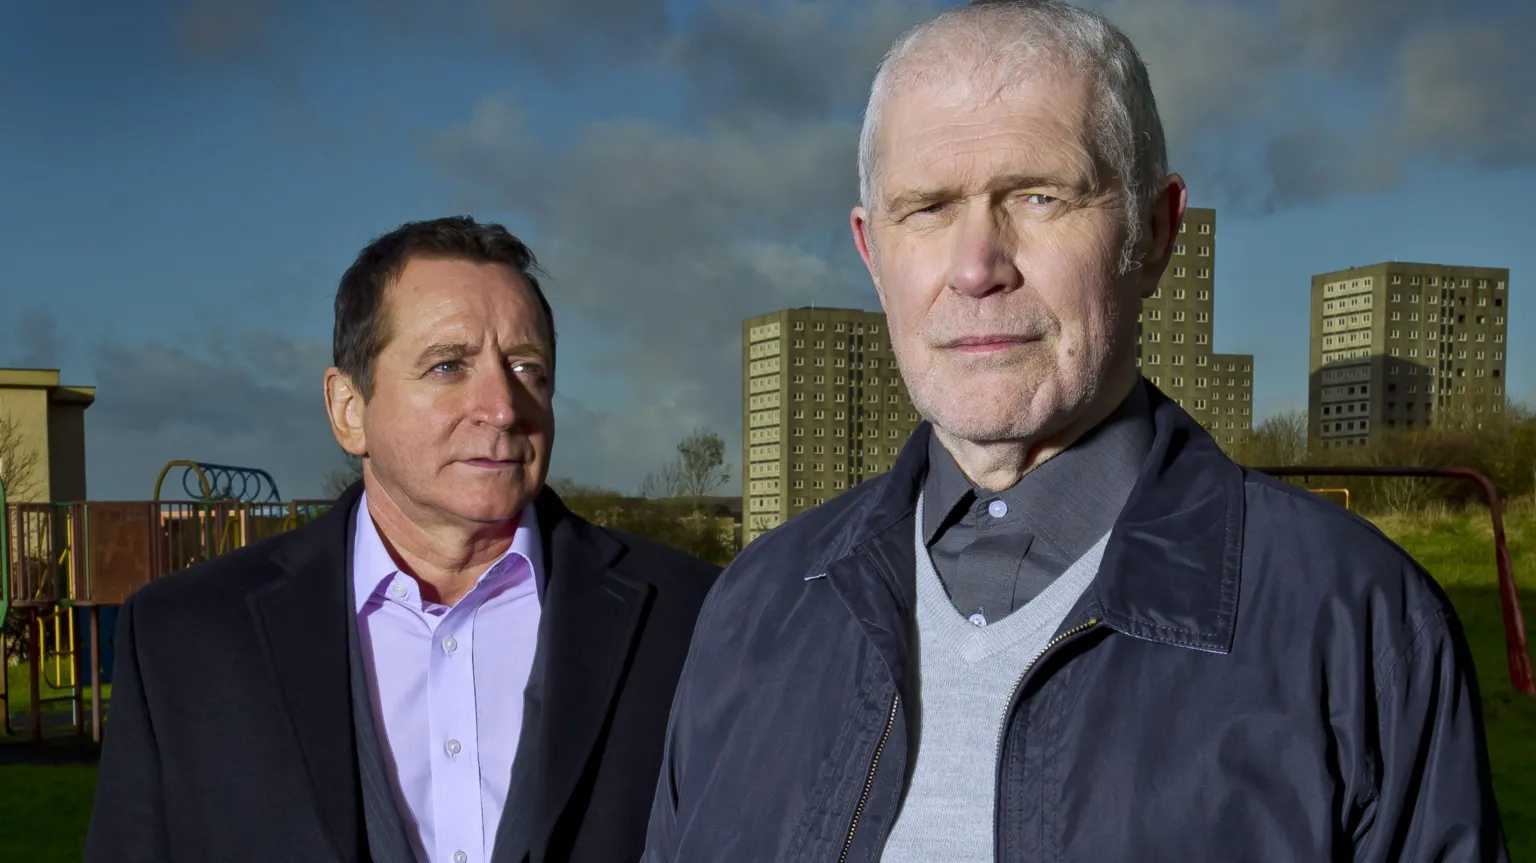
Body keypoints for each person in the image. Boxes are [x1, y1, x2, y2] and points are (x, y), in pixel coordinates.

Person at [642, 2, 1507, 860]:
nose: (978, 267)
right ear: (872, 253)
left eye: (1038, 194)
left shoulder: (1358, 626)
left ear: (1154, 231)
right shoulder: (753, 609)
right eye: (929, 208)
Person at [87, 217, 720, 863]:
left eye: (527, 367)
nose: (503, 406)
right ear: (348, 409)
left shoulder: (693, 617)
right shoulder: (187, 635)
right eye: (449, 366)